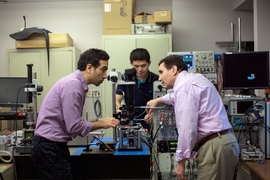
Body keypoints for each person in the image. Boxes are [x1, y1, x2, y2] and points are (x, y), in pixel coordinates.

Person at [145, 55, 239, 180]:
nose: (159, 78)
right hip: (224, 142)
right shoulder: (194, 80)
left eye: (161, 72)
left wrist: (181, 162)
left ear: (173, 70)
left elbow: (187, 128)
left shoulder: (184, 88)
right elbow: (176, 97)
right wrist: (158, 100)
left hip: (214, 147)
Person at [31, 48, 120, 180]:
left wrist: (99, 120)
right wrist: (102, 124)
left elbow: (71, 122)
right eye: (103, 69)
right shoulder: (73, 85)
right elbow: (74, 126)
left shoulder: (76, 84)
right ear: (89, 67)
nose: (105, 75)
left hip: (53, 147)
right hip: (49, 148)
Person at [115, 48, 159, 130]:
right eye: (136, 66)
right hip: (128, 122)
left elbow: (160, 103)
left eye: (143, 66)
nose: (140, 70)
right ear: (131, 64)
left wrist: (152, 114)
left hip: (147, 123)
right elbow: (117, 100)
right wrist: (120, 111)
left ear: (149, 63)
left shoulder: (157, 80)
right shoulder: (124, 78)